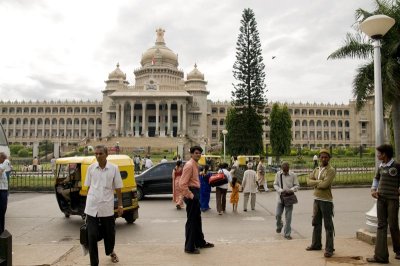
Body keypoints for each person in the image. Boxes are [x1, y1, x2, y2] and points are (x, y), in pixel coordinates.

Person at [84, 145, 124, 265]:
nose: (97, 156)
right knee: (91, 236)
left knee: (109, 234)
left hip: (107, 206)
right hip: (92, 207)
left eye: (100, 154)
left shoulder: (114, 168)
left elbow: (118, 188)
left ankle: (110, 251)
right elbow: (88, 187)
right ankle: (94, 263)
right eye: (95, 154)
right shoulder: (91, 168)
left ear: (106, 154)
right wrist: (87, 203)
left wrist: (120, 205)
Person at [367, 144, 400, 264]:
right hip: (381, 199)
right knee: (381, 225)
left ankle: (398, 250)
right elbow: (376, 179)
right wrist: (373, 189)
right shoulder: (380, 166)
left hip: (393, 199)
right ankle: (380, 256)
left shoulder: (396, 165)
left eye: (379, 153)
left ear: (384, 154)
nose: (377, 155)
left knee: (393, 225)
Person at [179, 146, 214, 254]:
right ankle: (189, 247)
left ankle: (200, 242)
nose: (198, 155)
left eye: (200, 153)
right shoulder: (189, 165)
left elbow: (192, 179)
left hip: (196, 192)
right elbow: (182, 184)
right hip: (192, 193)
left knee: (197, 220)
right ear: (192, 154)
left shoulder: (195, 164)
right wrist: (190, 195)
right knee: (192, 221)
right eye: (196, 153)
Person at [306, 149, 336, 258]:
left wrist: (316, 183)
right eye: (322, 157)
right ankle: (316, 244)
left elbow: (325, 185)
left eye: (326, 157)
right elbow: (308, 181)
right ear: (319, 158)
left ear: (329, 158)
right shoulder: (317, 169)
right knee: (316, 223)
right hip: (316, 199)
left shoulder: (331, 170)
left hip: (326, 201)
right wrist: (319, 182)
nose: (323, 159)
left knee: (328, 225)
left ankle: (329, 249)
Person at [273, 162, 299, 240]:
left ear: (288, 168)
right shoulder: (278, 174)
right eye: (283, 170)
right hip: (280, 198)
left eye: (286, 170)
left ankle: (287, 233)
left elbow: (297, 185)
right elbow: (275, 184)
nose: (285, 172)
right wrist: (281, 190)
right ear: (281, 168)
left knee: (288, 217)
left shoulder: (293, 175)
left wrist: (291, 190)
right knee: (278, 215)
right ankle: (279, 225)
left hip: (289, 198)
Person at [0, 152, 9, 234]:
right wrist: (4, 165)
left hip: (4, 190)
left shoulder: (3, 166)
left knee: (3, 210)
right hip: (1, 190)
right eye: (3, 158)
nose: (4, 160)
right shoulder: (2, 166)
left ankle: (1, 231)